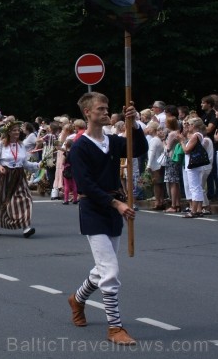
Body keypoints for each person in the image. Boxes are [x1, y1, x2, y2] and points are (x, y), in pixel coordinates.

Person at [67, 92, 148, 346]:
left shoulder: (112, 141)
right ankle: (115, 327)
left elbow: (139, 150)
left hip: (114, 208)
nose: (106, 112)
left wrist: (133, 124)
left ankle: (78, 299)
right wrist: (117, 203)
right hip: (94, 209)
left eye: (107, 108)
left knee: (102, 268)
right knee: (110, 270)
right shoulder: (79, 147)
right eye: (101, 109)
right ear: (87, 113)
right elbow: (86, 184)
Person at [0, 120, 41, 237]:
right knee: (1, 200)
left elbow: (24, 163)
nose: (17, 132)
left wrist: (37, 165)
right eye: (14, 130)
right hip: (4, 175)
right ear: (8, 132)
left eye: (18, 130)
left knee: (25, 199)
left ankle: (26, 227)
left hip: (19, 175)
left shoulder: (21, 145)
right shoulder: (1, 144)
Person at [144, 121, 166, 210]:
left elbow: (152, 153)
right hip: (159, 164)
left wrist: (148, 165)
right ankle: (161, 200)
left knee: (156, 183)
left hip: (155, 165)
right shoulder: (158, 140)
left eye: (148, 127)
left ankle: (158, 202)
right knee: (159, 184)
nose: (147, 129)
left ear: (152, 129)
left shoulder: (154, 140)